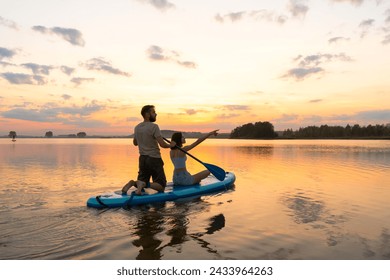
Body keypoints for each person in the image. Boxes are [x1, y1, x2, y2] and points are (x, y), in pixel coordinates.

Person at [122, 105, 175, 195]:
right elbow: (162, 144)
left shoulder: (137, 127)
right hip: (154, 159)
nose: (156, 114)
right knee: (161, 186)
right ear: (147, 114)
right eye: (153, 112)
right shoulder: (154, 127)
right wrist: (171, 145)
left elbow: (135, 143)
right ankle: (144, 183)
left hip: (143, 159)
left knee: (141, 182)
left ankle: (133, 183)